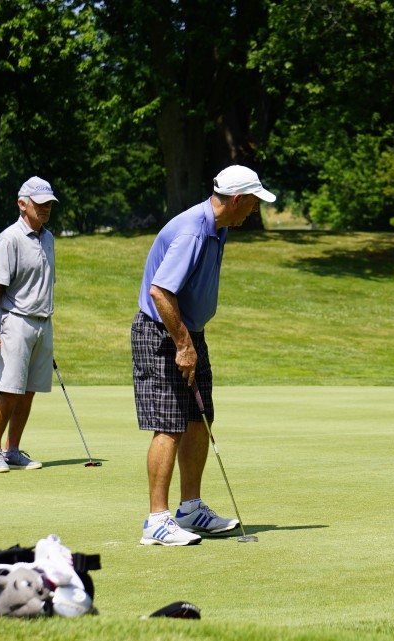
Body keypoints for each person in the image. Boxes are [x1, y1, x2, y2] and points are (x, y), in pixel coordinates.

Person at [132, 165, 276, 546]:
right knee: (169, 422)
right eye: (253, 203)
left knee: (199, 418)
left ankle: (190, 509)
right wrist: (182, 344)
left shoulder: (219, 228)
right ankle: (156, 521)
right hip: (162, 332)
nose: (255, 210)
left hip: (189, 331)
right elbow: (160, 291)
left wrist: (189, 340)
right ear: (237, 199)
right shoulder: (193, 231)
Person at [0, 176, 59, 473]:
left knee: (29, 390)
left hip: (42, 322)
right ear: (22, 204)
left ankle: (12, 450)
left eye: (49, 203)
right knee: (11, 389)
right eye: (40, 204)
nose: (46, 208)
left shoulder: (48, 238)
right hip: (15, 320)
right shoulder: (9, 238)